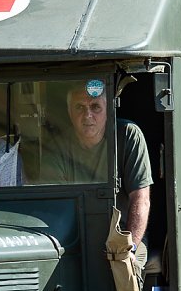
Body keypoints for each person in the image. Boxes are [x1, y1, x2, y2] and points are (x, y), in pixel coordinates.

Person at [45, 82, 152, 265]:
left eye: (95, 107)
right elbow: (56, 207)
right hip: (74, 239)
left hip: (123, 237)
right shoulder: (57, 147)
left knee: (125, 274)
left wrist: (130, 248)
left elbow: (141, 199)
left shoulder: (128, 135)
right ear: (69, 111)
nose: (88, 115)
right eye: (79, 107)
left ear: (108, 109)